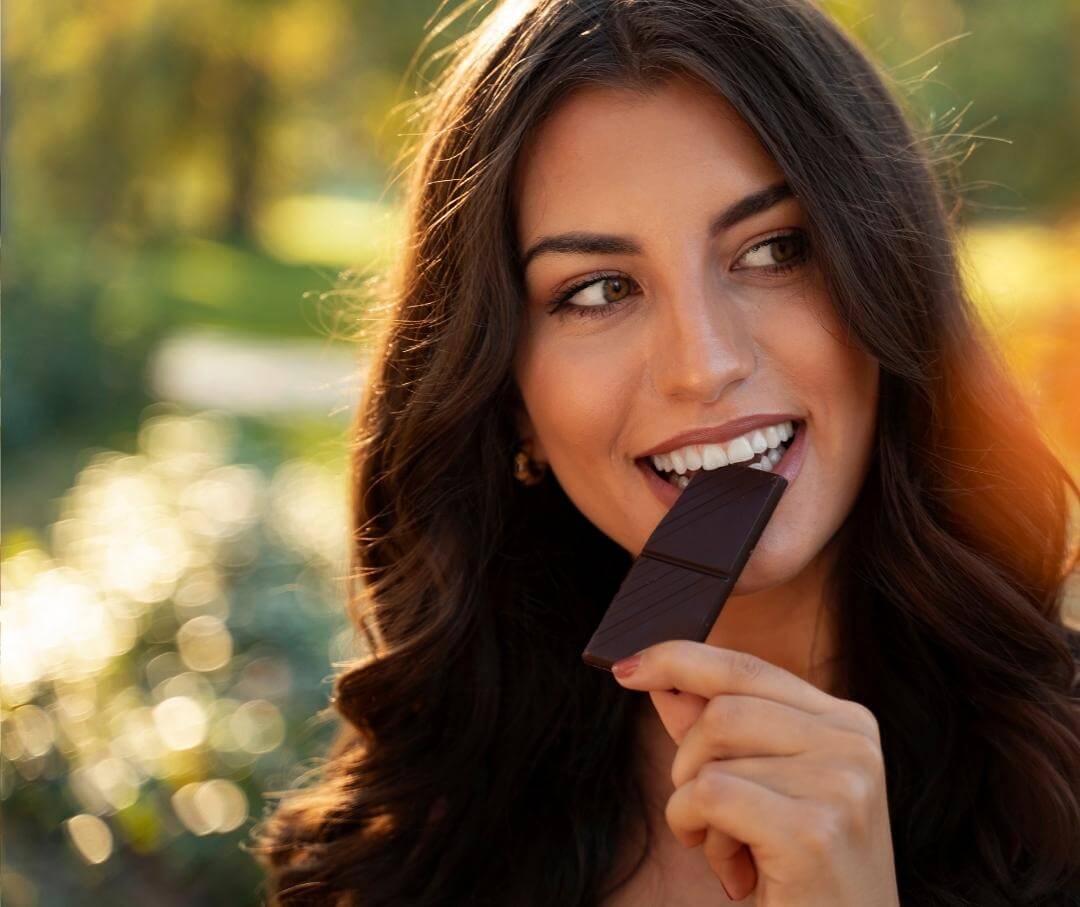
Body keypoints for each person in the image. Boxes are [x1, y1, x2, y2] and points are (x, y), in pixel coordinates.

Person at [251, 1, 1080, 904]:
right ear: (508, 397)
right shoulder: (420, 834)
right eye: (599, 289)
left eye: (774, 249)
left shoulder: (1058, 790)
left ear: (888, 278)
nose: (705, 365)